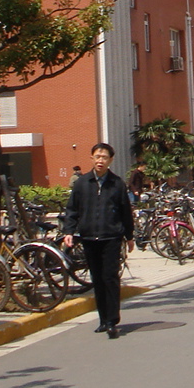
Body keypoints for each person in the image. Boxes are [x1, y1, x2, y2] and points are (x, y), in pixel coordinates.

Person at [63, 143, 135, 338]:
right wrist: (69, 231)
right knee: (97, 279)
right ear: (92, 158)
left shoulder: (117, 183)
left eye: (104, 157)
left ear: (111, 160)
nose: (100, 160)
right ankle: (103, 319)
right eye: (97, 156)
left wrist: (129, 236)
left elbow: (125, 212)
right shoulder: (82, 183)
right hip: (89, 237)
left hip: (111, 237)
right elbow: (72, 209)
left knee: (110, 278)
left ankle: (112, 320)